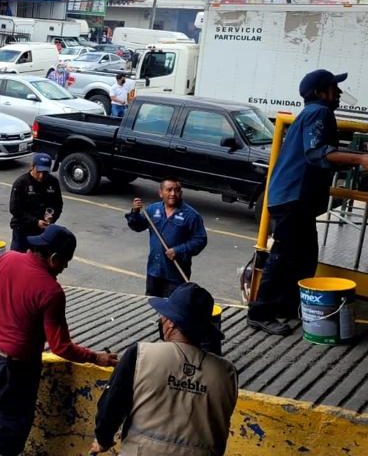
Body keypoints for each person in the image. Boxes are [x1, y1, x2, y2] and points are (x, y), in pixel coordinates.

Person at [0, 225, 117, 456]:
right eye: (65, 261)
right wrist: (96, 357)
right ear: (54, 258)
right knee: (14, 420)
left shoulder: (6, 259)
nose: (65, 267)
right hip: (18, 369)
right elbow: (61, 346)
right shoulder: (51, 291)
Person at [248, 69, 368, 335]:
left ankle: (285, 307)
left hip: (293, 196)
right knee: (284, 256)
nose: (337, 93)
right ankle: (260, 312)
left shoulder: (313, 113)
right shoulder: (319, 113)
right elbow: (316, 153)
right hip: (293, 196)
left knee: (303, 257)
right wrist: (359, 159)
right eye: (333, 88)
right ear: (320, 92)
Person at [91, 283, 238, 455]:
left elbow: (111, 406)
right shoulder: (227, 373)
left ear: (170, 323)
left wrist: (103, 440)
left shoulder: (139, 355)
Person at [126, 178, 208, 298]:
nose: (173, 194)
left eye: (177, 190)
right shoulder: (153, 210)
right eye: (169, 190)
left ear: (181, 193)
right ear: (161, 193)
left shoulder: (191, 216)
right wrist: (135, 212)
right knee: (152, 303)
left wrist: (178, 250)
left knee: (172, 308)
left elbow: (200, 240)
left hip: (175, 275)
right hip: (154, 271)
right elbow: (137, 226)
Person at [8, 153, 63, 252]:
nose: (41, 176)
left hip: (42, 230)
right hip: (23, 229)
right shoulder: (21, 183)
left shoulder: (53, 182)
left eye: (45, 173)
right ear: (32, 167)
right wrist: (35, 222)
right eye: (39, 172)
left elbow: (58, 204)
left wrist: (52, 218)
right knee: (18, 258)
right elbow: (15, 209)